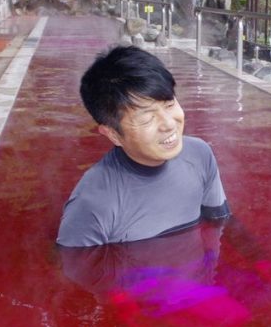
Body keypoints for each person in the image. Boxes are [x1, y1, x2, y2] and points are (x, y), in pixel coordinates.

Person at [57, 46, 230, 247]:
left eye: (169, 104)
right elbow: (74, 273)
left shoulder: (200, 155)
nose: (169, 124)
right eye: (147, 119)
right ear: (113, 134)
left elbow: (220, 223)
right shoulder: (94, 202)